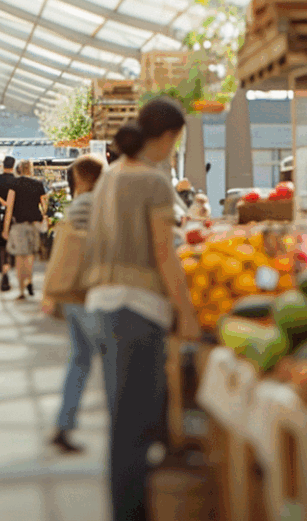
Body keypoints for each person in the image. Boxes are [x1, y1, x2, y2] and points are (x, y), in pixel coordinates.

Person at [84, 98, 201, 521]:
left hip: (104, 304)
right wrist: (186, 312)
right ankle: (129, 513)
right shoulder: (151, 181)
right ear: (169, 136)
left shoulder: (111, 176)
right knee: (135, 425)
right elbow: (162, 251)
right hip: (138, 306)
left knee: (125, 420)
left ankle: (127, 509)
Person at [44, 154, 105, 455]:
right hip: (88, 290)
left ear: (81, 178)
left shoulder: (80, 204)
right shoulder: (95, 204)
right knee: (107, 357)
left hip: (74, 291)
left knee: (80, 359)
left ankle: (64, 424)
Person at [3, 159, 48, 299]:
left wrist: (5, 228)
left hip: (18, 225)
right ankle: (29, 281)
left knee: (19, 258)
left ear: (19, 169)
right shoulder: (38, 184)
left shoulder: (14, 184)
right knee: (30, 256)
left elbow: (9, 208)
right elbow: (45, 206)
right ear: (31, 169)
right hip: (33, 224)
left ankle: (22, 290)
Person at [0, 157, 17, 291]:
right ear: (14, 165)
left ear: (2, 165)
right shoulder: (16, 181)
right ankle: (7, 272)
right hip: (11, 217)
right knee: (8, 247)